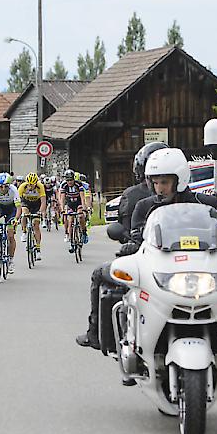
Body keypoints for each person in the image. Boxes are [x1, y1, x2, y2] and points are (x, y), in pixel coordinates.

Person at [75, 142, 169, 349]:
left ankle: (96, 334)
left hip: (144, 259)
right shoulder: (193, 197)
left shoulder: (132, 195)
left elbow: (124, 231)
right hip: (174, 261)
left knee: (100, 275)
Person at [0, 173, 22, 274]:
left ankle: (10, 260)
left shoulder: (14, 190)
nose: (2, 188)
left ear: (9, 185)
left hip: (11, 209)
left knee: (10, 235)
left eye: (5, 186)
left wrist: (16, 219)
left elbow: (19, 208)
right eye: (0, 186)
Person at [18, 172, 47, 261]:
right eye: (29, 184)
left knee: (36, 225)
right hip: (26, 203)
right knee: (24, 213)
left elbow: (43, 202)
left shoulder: (40, 186)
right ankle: (24, 232)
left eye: (32, 185)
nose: (30, 186)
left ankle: (38, 249)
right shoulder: (23, 186)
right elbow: (18, 202)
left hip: (36, 204)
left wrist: (40, 212)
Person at [59, 169, 86, 251]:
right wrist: (62, 209)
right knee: (70, 221)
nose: (69, 182)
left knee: (81, 216)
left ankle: (84, 232)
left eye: (71, 180)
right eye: (68, 180)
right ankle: (71, 242)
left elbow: (82, 197)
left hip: (78, 203)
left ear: (74, 179)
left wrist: (84, 207)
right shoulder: (64, 185)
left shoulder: (78, 184)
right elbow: (62, 199)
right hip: (70, 204)